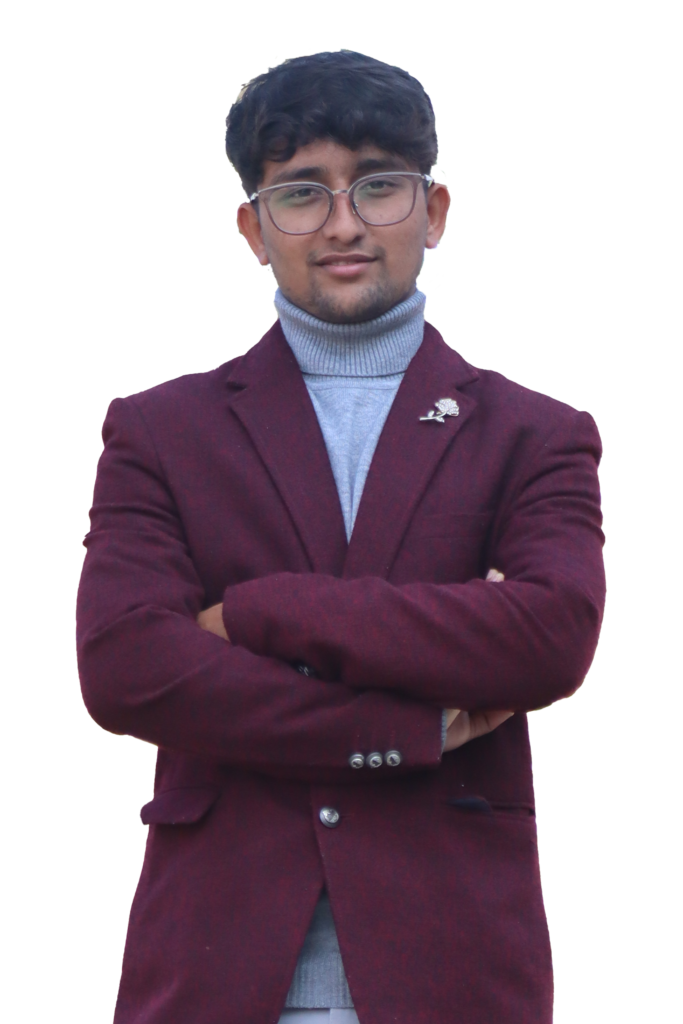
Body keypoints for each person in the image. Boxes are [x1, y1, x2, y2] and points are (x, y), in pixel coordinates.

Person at [76, 49, 605, 1024]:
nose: (344, 223)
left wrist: (260, 611)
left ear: (433, 210)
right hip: (216, 966)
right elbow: (124, 668)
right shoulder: (158, 429)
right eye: (300, 193)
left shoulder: (535, 432)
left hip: (451, 967)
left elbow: (548, 638)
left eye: (377, 186)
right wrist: (401, 727)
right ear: (252, 227)